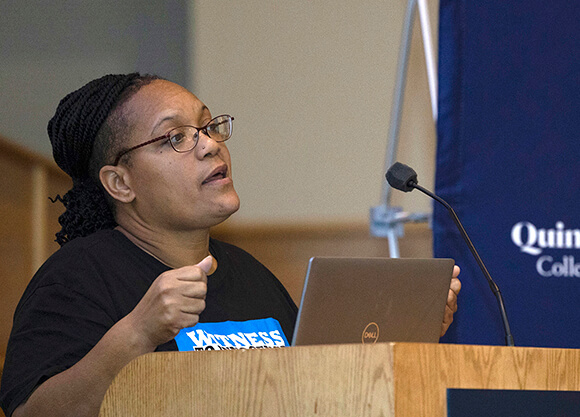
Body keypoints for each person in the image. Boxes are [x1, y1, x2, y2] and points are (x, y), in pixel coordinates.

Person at [0, 73, 461, 417]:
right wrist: (136, 335)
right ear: (120, 182)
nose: (209, 146)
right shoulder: (78, 277)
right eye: (175, 137)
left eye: (208, 127)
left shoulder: (249, 274)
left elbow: (317, 392)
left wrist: (409, 334)